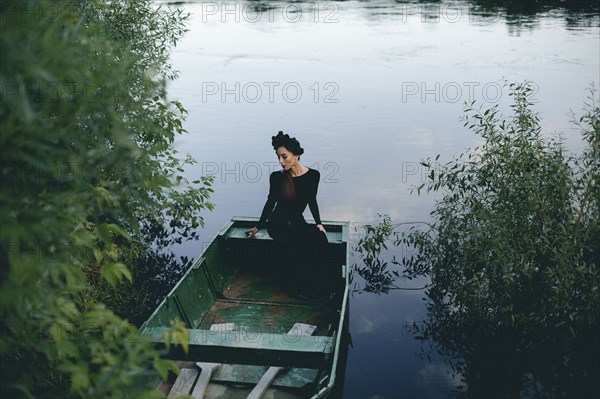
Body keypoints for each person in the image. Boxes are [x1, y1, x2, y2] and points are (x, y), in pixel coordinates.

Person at [246, 131, 328, 263]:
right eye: (278, 157)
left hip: (297, 222)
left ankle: (320, 278)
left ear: (296, 155)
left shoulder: (313, 175)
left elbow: (312, 200)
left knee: (320, 238)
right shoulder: (277, 177)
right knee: (297, 246)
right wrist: (259, 226)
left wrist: (319, 223)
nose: (281, 162)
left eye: (284, 157)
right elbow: (270, 202)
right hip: (278, 224)